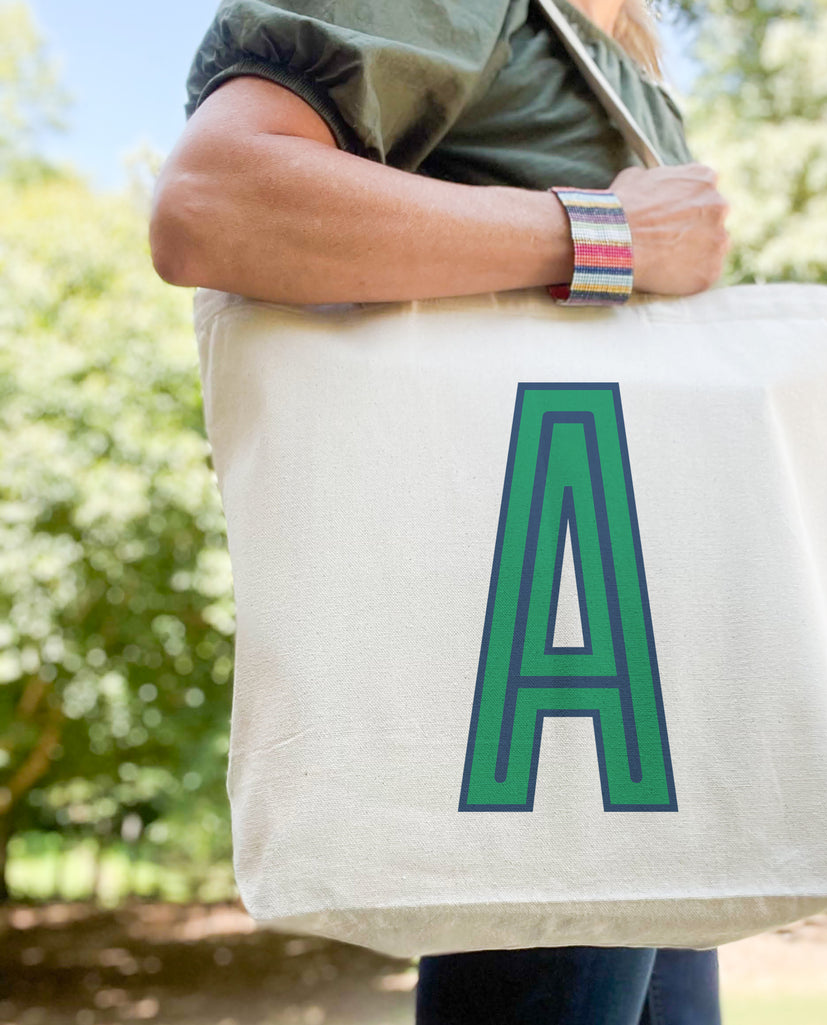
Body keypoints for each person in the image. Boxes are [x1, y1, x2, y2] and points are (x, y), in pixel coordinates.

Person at [150, 1, 729, 1022]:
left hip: (626, 667)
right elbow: (213, 198)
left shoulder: (609, 48)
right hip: (543, 661)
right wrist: (610, 233)